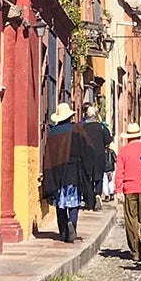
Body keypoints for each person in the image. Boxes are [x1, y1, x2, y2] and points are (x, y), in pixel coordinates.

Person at [41, 101, 94, 242]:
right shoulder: (76, 129)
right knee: (73, 201)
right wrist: (87, 170)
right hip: (73, 172)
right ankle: (72, 222)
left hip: (57, 174)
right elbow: (88, 149)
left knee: (60, 203)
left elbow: (49, 155)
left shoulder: (52, 133)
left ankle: (64, 231)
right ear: (69, 116)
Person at [114, 123, 141, 264]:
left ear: (128, 138)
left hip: (129, 188)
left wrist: (119, 190)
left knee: (131, 220)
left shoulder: (123, 151)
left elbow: (119, 172)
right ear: (140, 135)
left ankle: (136, 252)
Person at [80, 105, 113, 211]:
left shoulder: (83, 128)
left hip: (86, 156)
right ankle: (98, 194)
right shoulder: (101, 127)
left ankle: (90, 202)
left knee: (87, 179)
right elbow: (108, 140)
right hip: (99, 155)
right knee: (98, 177)